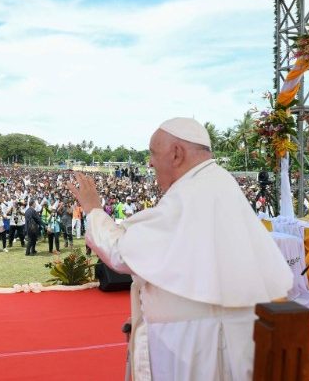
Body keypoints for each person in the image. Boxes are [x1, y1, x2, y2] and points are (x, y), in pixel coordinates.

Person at [67, 117, 293, 380]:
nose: (149, 163)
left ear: (176, 154)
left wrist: (94, 209)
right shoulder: (215, 182)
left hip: (193, 344)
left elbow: (121, 252)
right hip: (218, 336)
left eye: (152, 153)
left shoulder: (193, 192)